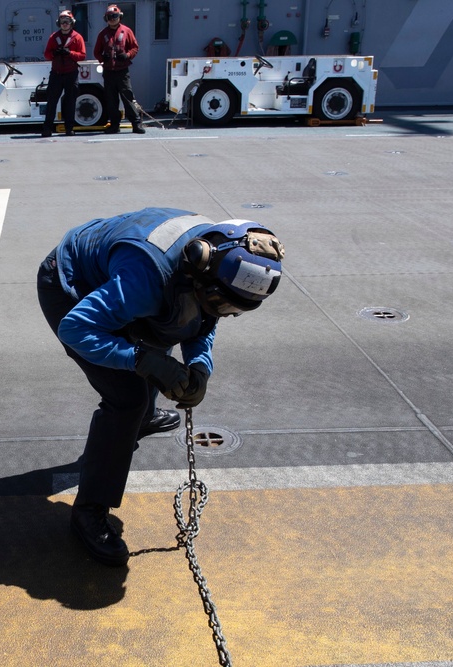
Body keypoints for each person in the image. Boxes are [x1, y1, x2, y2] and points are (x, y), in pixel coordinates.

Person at [36, 208, 285, 566]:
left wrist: (200, 365)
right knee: (128, 397)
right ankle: (90, 510)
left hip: (142, 283)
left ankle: (145, 417)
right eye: (219, 300)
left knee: (168, 321)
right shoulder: (149, 277)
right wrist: (143, 360)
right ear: (199, 266)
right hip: (71, 284)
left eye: (233, 308)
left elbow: (202, 318)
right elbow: (76, 330)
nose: (223, 312)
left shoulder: (212, 261)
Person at [93, 5, 144, 134]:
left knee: (128, 97)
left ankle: (136, 124)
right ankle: (115, 125)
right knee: (111, 99)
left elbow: (134, 47)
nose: (112, 19)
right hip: (109, 71)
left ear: (119, 17)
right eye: (110, 17)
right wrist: (102, 58)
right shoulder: (102, 34)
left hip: (122, 71)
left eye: (115, 16)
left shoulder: (126, 31)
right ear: (106, 18)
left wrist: (127, 55)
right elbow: (96, 52)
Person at [42, 10, 86, 138]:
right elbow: (46, 55)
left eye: (67, 21)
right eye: (62, 22)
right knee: (51, 102)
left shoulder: (77, 37)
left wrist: (70, 53)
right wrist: (54, 54)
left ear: (71, 23)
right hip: (56, 74)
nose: (65, 24)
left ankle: (69, 128)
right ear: (59, 23)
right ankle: (47, 128)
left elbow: (82, 55)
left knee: (70, 102)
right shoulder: (53, 37)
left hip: (71, 74)